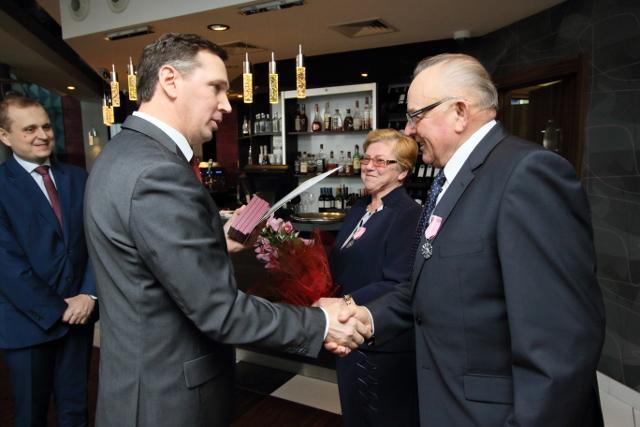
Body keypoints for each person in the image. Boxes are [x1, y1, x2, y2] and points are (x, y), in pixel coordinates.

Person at [83, 33, 368, 427]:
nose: (226, 104)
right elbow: (219, 311)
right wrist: (320, 322)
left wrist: (216, 243)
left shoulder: (120, 154)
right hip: (167, 398)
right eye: (215, 87)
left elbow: (146, 267)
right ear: (170, 80)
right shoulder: (158, 172)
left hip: (138, 384)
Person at [324, 53, 606, 426]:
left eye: (416, 115)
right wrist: (367, 316)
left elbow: (562, 343)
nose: (409, 130)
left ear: (459, 112)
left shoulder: (527, 173)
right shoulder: (453, 181)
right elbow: (431, 287)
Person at [0, 94, 97, 426]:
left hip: (79, 319)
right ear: (5, 136)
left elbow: (98, 242)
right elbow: (6, 265)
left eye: (46, 126)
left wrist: (88, 294)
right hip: (26, 324)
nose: (42, 135)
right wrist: (59, 309)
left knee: (76, 411)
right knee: (30, 415)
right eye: (29, 129)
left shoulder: (79, 178)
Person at [328, 128, 421, 426]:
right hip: (348, 334)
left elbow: (397, 283)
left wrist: (340, 304)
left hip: (381, 341)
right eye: (366, 159)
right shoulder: (359, 208)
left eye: (381, 161)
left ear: (402, 172)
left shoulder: (408, 215)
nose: (368, 166)